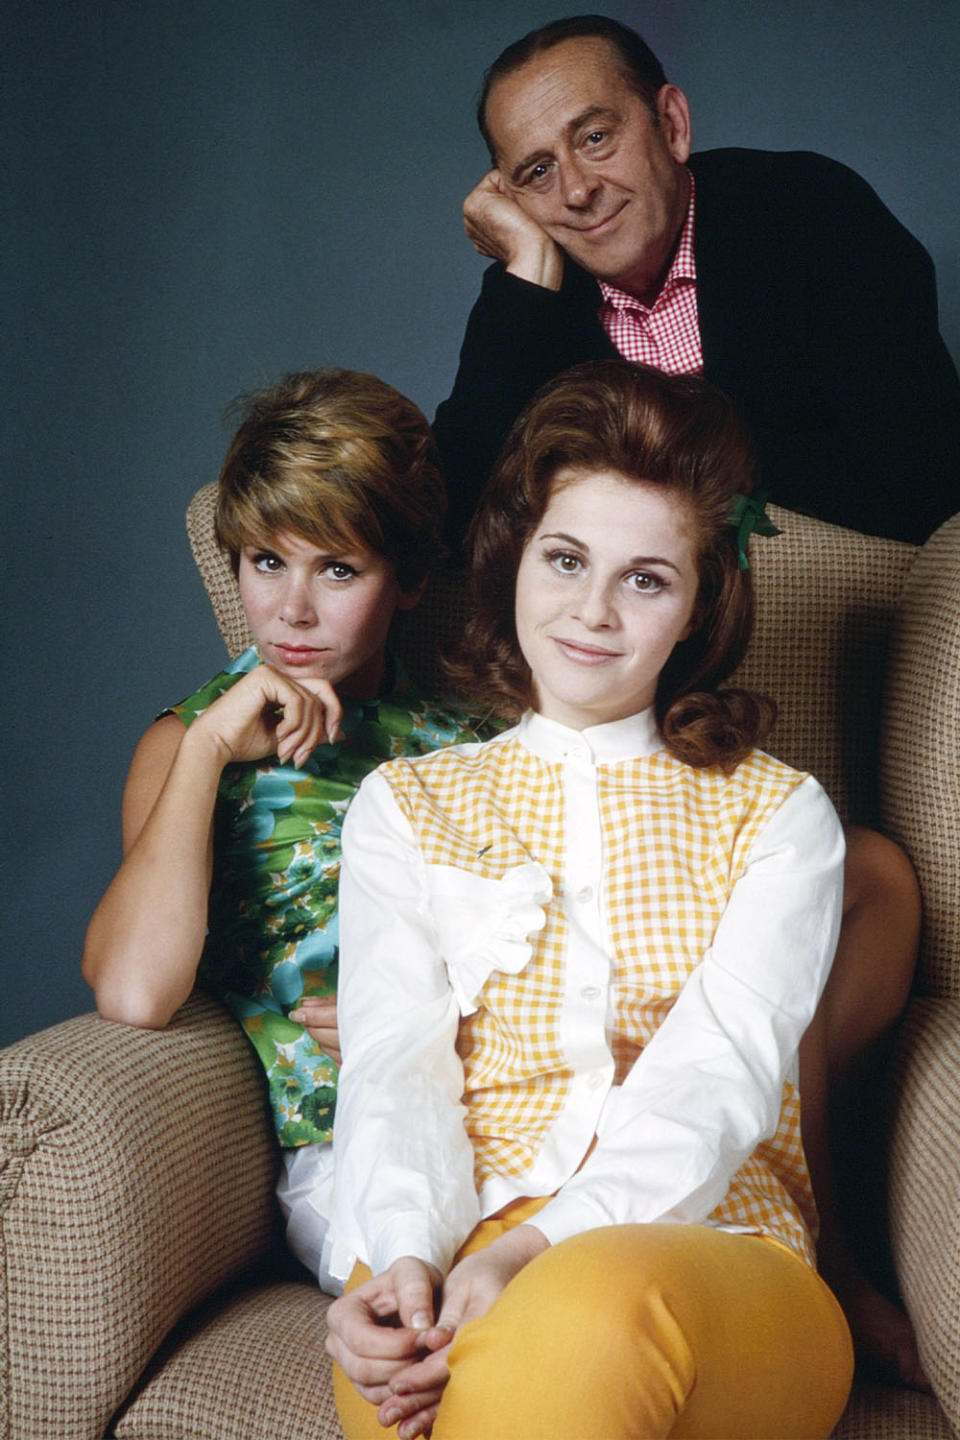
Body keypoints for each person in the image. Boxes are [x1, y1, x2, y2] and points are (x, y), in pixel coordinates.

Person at [326, 359, 857, 1440]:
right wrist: (411, 1260)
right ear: (515, 555)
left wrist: (539, 1247)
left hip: (717, 1251)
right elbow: (395, 1068)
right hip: (461, 1245)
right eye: (566, 560)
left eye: (647, 579)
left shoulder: (778, 815)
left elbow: (721, 1078)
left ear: (700, 605)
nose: (593, 613)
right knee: (430, 1369)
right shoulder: (405, 805)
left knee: (591, 1322)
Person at [82, 368, 488, 1291]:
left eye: (337, 569)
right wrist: (209, 747)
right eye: (268, 562)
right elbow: (138, 994)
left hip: (517, 1106)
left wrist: (423, 1025)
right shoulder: (188, 747)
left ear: (412, 580)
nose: (293, 612)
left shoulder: (474, 746)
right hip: (352, 1145)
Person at [433, 14, 960, 548]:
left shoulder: (811, 210)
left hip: (836, 597)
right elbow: (450, 522)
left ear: (671, 125)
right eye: (537, 172)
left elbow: (923, 480)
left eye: (595, 138)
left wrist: (667, 471)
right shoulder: (531, 298)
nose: (576, 191)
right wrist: (525, 273)